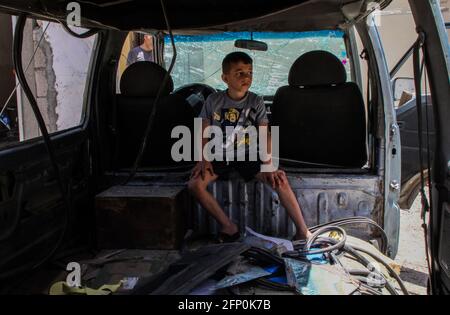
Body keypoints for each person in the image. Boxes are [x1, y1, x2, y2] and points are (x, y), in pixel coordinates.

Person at [188, 51, 311, 243]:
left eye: (250, 72)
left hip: (249, 156)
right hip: (221, 156)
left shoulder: (256, 101)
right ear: (225, 78)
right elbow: (202, 130)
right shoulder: (213, 101)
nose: (247, 77)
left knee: (280, 179)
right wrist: (203, 159)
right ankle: (228, 227)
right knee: (195, 184)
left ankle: (303, 231)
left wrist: (268, 164)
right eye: (239, 73)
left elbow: (265, 134)